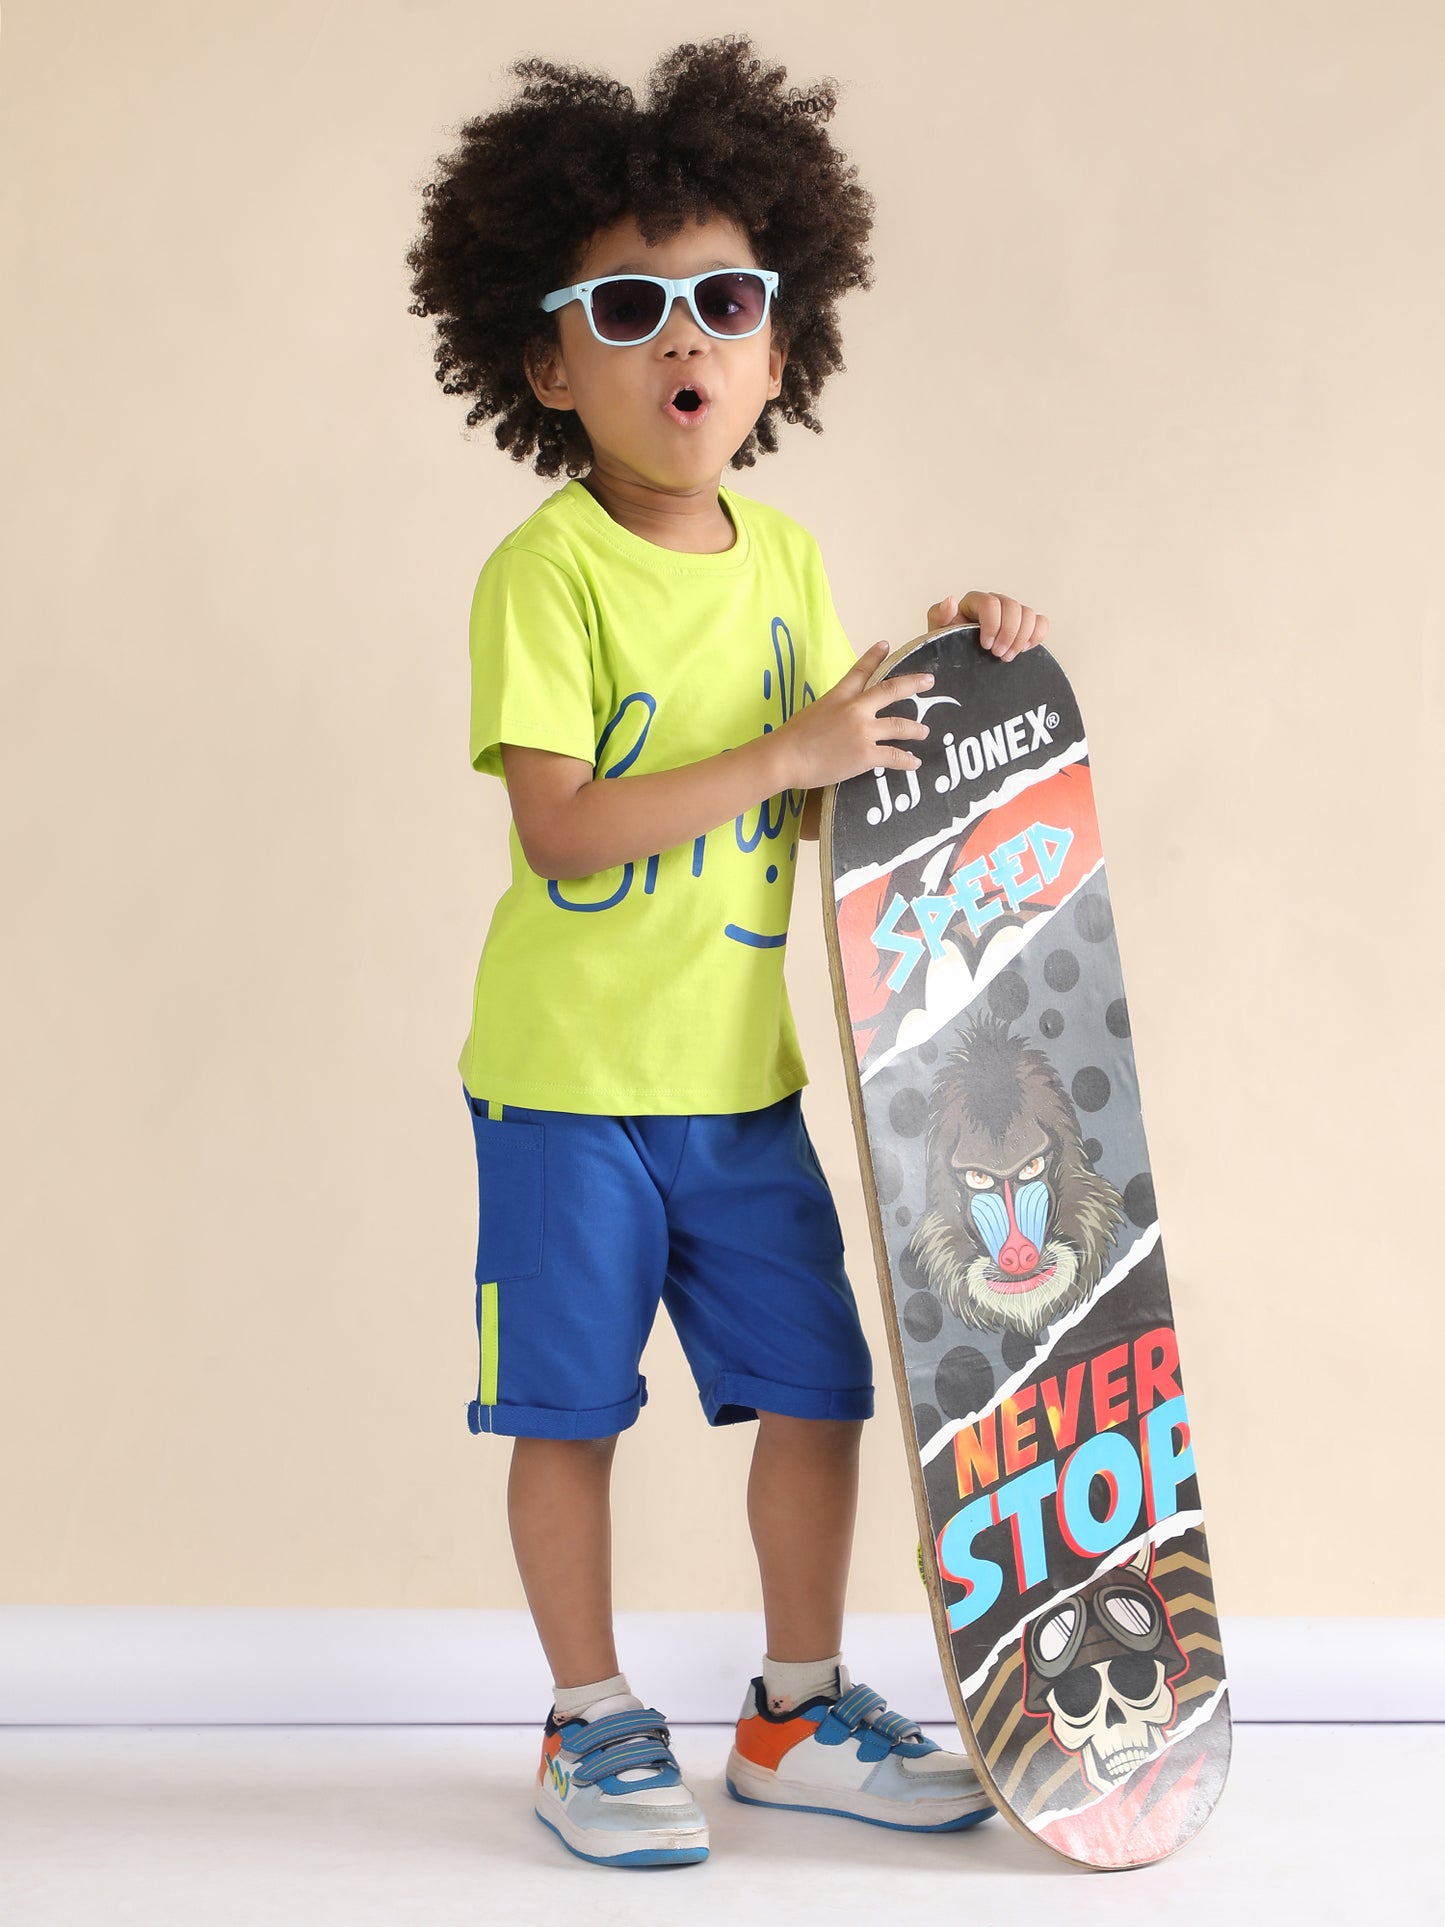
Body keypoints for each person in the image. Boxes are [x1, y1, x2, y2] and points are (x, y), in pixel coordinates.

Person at [406, 36, 1048, 1869]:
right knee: (568, 1412)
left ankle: (791, 1707)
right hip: (567, 1092)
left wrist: (954, 665)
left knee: (820, 1392)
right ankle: (592, 1718)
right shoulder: (548, 573)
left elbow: (837, 795)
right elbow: (560, 825)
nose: (680, 340)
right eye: (626, 307)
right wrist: (781, 754)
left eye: (724, 301)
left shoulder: (784, 561)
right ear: (547, 364)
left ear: (779, 346)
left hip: (739, 1090)